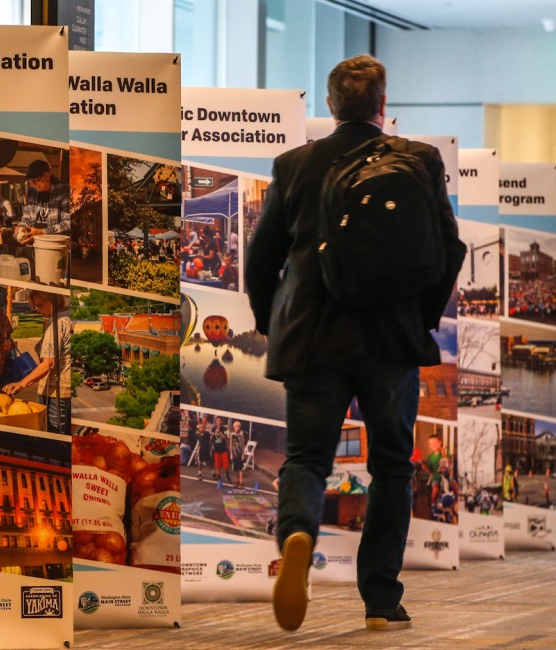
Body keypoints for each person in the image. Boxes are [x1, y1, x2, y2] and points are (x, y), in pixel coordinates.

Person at [245, 55, 465, 632]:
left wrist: (273, 324)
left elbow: (261, 259)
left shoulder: (294, 165)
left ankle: (296, 534)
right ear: (383, 107)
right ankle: (380, 601)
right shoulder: (419, 161)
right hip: (390, 342)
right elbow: (448, 251)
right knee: (393, 466)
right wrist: (417, 319)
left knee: (308, 457)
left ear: (330, 105)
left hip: (313, 338)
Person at [2, 291, 72, 434]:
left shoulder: (56, 325)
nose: (38, 309)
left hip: (55, 390)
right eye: (35, 306)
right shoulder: (64, 317)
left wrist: (21, 384)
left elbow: (48, 363)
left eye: (40, 305)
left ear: (54, 300)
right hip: (63, 388)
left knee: (55, 433)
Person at [19, 159, 70, 240]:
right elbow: (26, 217)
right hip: (35, 242)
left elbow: (68, 222)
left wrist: (43, 231)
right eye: (31, 182)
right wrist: (21, 227)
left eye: (36, 180)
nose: (34, 184)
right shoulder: (32, 192)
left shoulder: (63, 191)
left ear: (47, 176)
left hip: (55, 244)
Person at [211, 416, 229, 482]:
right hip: (216, 448)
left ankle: (227, 476)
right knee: (217, 464)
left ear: (221, 421)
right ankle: (219, 476)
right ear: (215, 421)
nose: (218, 422)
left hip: (223, 449)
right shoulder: (213, 428)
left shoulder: (225, 429)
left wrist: (220, 433)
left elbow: (226, 438)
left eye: (219, 420)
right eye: (217, 420)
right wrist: (212, 435)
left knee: (226, 465)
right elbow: (211, 438)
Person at [229, 420, 246, 488]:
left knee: (240, 469)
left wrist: (243, 454)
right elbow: (230, 445)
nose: (237, 428)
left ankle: (241, 482)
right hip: (234, 453)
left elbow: (243, 445)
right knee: (236, 469)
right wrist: (231, 454)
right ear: (234, 427)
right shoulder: (232, 435)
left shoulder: (241, 435)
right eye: (235, 426)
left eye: (238, 426)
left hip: (239, 453)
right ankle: (237, 481)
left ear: (240, 427)